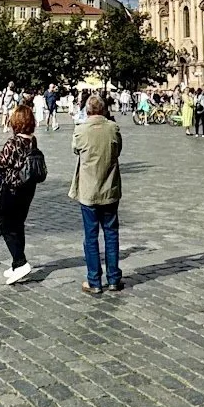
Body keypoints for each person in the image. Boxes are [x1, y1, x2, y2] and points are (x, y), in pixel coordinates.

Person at [69, 93, 123, 294]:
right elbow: (118, 150)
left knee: (91, 236)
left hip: (89, 190)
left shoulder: (81, 130)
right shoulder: (113, 128)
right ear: (103, 109)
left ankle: (94, 280)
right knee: (111, 233)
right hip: (110, 188)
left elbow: (75, 150)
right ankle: (114, 279)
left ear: (88, 110)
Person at [0, 102, 43, 283]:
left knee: (7, 226)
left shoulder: (13, 143)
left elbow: (1, 163)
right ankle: (15, 263)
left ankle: (21, 262)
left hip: (12, 189)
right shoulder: (32, 140)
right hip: (28, 189)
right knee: (18, 224)